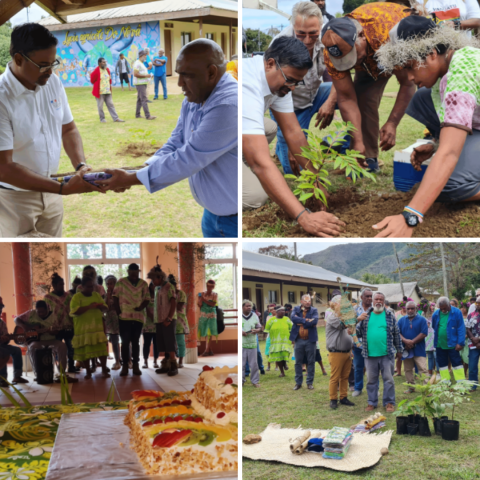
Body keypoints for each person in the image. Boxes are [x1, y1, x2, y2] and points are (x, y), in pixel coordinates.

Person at [99, 40, 238, 238]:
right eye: (179, 74)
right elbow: (176, 142)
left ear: (211, 73)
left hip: (232, 221)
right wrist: (139, 170)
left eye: (186, 76)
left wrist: (131, 178)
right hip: (212, 215)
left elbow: (188, 158)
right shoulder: (196, 95)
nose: (179, 83)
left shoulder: (229, 105)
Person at [373, 16, 480, 237]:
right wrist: (435, 144)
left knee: (450, 186)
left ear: (431, 54)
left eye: (411, 67)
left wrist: (411, 215)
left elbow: (450, 154)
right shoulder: (444, 71)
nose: (410, 77)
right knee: (421, 97)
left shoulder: (462, 71)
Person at [0, 23, 104, 237]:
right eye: (42, 65)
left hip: (52, 192)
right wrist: (62, 189)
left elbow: (68, 129)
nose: (50, 71)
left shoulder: (53, 82)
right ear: (18, 59)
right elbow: (4, 167)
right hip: (12, 201)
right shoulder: (2, 97)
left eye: (53, 63)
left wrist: (81, 165)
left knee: (53, 249)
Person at [242, 35, 346, 237]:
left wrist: (315, 180)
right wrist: (304, 217)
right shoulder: (247, 86)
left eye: (296, 83)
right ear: (270, 64)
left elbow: (293, 131)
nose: (291, 88)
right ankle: (231, 165)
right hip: (213, 140)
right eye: (290, 80)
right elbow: (261, 164)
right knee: (256, 196)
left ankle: (238, 160)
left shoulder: (280, 81)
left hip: (233, 128)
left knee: (269, 127)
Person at [320, 4, 415, 173]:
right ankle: (367, 160)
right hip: (370, 60)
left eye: (352, 55)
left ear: (362, 36)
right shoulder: (331, 50)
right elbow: (347, 98)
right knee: (363, 100)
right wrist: (357, 141)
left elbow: (408, 82)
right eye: (344, 60)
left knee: (429, 91)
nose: (351, 63)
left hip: (396, 48)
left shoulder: (388, 34)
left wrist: (392, 123)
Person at [270, 2, 341, 175]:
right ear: (293, 27)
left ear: (320, 26)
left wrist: (331, 102)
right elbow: (277, 93)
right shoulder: (280, 44)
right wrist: (291, 136)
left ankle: (339, 146)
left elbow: (341, 75)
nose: (308, 41)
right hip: (289, 106)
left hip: (315, 95)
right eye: (301, 34)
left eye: (313, 34)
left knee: (355, 94)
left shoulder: (329, 37)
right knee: (296, 169)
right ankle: (282, 148)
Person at [357, 292, 403, 412]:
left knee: (388, 379)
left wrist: (399, 350)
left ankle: (389, 402)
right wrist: (356, 321)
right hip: (370, 354)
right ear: (372, 301)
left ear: (383, 301)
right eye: (376, 299)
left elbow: (396, 333)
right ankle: (372, 402)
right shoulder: (365, 315)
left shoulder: (389, 315)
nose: (378, 301)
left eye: (381, 299)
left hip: (386, 354)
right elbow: (357, 333)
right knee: (371, 380)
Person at [15, 300, 78, 383]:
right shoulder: (30, 313)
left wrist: (53, 332)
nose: (40, 313)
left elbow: (57, 331)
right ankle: (38, 374)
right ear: (35, 309)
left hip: (51, 340)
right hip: (37, 342)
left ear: (47, 309)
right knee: (32, 347)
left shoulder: (53, 316)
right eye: (38, 312)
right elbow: (16, 319)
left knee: (62, 346)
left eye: (43, 312)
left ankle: (62, 374)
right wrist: (24, 326)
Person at [113, 263, 150, 377]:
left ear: (138, 272)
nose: (134, 274)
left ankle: (135, 365)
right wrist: (118, 312)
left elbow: (147, 299)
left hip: (138, 318)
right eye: (132, 272)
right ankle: (124, 366)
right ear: (128, 272)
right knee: (124, 342)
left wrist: (141, 307)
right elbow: (115, 297)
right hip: (124, 318)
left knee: (135, 342)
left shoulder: (143, 284)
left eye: (136, 272)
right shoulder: (121, 282)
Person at [70, 276, 110, 379]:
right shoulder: (76, 297)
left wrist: (101, 306)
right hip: (83, 330)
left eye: (92, 286)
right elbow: (74, 311)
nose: (91, 289)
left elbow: (106, 308)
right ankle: (88, 372)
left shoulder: (96, 295)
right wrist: (89, 306)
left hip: (97, 328)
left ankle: (104, 370)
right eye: (88, 287)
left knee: (101, 350)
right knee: (85, 351)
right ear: (82, 287)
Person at [147, 265, 178, 377]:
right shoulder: (157, 288)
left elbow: (173, 302)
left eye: (154, 279)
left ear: (160, 277)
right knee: (162, 342)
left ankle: (174, 365)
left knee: (169, 341)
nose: (152, 281)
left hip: (168, 319)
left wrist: (169, 318)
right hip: (159, 320)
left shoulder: (169, 286)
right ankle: (166, 364)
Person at [325, 295, 355, 409]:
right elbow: (343, 326)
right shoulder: (332, 317)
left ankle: (343, 397)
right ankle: (333, 399)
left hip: (347, 352)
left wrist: (351, 350)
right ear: (335, 305)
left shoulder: (344, 317)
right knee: (335, 377)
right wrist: (357, 318)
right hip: (336, 352)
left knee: (345, 377)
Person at [44, 273, 77, 373]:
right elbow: (46, 313)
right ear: (54, 285)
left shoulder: (69, 296)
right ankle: (60, 368)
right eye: (60, 284)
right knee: (57, 349)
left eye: (63, 284)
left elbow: (72, 310)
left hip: (68, 326)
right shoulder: (48, 298)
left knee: (71, 348)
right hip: (55, 328)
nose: (62, 286)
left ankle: (71, 366)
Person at [431, 296, 466, 382]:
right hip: (440, 344)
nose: (443, 310)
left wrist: (460, 343)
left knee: (457, 364)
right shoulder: (435, 314)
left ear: (448, 304)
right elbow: (434, 327)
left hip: (453, 344)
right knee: (442, 365)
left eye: (445, 308)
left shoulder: (457, 312)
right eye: (441, 308)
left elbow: (461, 328)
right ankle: (446, 383)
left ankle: (461, 384)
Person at [398, 301, 428, 393]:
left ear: (416, 309)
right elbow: (397, 333)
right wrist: (406, 341)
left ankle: (426, 388)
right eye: (408, 309)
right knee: (407, 369)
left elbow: (423, 333)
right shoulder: (401, 320)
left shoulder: (422, 320)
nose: (410, 310)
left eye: (412, 308)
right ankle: (411, 387)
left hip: (419, 348)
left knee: (423, 369)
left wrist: (412, 342)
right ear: (405, 309)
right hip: (406, 349)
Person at [291, 294, 319, 390]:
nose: (308, 302)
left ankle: (309, 382)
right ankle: (298, 383)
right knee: (298, 362)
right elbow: (292, 318)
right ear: (301, 301)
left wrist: (301, 322)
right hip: (298, 340)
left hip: (310, 340)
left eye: (309, 301)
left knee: (311, 361)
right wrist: (306, 320)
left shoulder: (314, 310)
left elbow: (314, 322)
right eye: (306, 301)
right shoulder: (296, 309)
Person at [0, 297, 28, 386]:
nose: (0, 310)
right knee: (3, 352)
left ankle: (17, 376)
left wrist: (6, 339)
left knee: (16, 350)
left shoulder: (2, 323)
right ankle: (2, 379)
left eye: (1, 308)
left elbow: (5, 339)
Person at [89, 58, 124, 124]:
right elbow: (92, 80)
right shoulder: (97, 70)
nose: (105, 63)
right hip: (100, 92)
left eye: (105, 62)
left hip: (107, 91)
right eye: (103, 62)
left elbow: (109, 78)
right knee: (100, 106)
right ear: (99, 63)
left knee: (111, 105)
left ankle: (116, 118)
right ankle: (102, 119)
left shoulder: (107, 69)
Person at [352, 288, 373, 397]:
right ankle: (358, 388)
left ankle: (374, 389)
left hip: (372, 344)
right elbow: (349, 326)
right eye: (367, 296)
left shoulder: (375, 309)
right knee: (358, 367)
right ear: (361, 297)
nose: (370, 298)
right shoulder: (354, 309)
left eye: (371, 296)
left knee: (372, 368)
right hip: (358, 344)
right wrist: (358, 319)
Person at [264, 305, 293, 378]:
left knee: (284, 354)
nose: (283, 312)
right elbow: (266, 330)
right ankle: (282, 372)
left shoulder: (287, 319)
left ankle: (285, 363)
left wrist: (293, 339)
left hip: (286, 341)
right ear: (277, 312)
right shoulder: (271, 320)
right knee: (278, 356)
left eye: (284, 310)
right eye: (281, 310)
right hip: (275, 342)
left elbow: (292, 329)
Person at [242, 300, 262, 387]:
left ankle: (255, 381)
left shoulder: (254, 316)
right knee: (242, 364)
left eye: (250, 306)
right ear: (242, 307)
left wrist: (257, 330)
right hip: (242, 344)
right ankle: (241, 381)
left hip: (252, 343)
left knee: (253, 364)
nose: (249, 307)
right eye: (247, 306)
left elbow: (259, 327)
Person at [132, 50, 156, 120]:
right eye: (145, 55)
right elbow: (135, 74)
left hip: (142, 83)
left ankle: (137, 114)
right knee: (144, 99)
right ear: (141, 56)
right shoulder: (137, 63)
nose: (146, 56)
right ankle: (148, 116)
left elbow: (142, 73)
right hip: (140, 84)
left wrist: (148, 76)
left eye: (146, 55)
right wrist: (146, 76)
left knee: (140, 99)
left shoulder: (142, 63)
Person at [104, 275, 121, 370]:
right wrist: (109, 295)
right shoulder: (106, 295)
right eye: (107, 284)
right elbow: (107, 308)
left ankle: (128, 360)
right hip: (111, 321)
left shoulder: (119, 293)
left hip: (120, 319)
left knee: (126, 340)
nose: (109, 285)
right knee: (114, 341)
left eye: (111, 283)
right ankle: (117, 361)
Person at [198, 279, 218, 357]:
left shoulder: (215, 294)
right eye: (208, 286)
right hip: (203, 314)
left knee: (209, 332)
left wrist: (204, 300)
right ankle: (210, 350)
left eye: (211, 287)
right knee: (205, 332)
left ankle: (207, 350)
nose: (209, 288)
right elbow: (199, 305)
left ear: (213, 287)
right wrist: (200, 301)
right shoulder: (201, 294)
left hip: (211, 315)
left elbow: (213, 304)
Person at [142, 282, 159, 369]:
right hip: (147, 323)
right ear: (150, 286)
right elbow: (146, 308)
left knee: (156, 343)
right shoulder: (146, 296)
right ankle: (145, 361)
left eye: (156, 285)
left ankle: (155, 361)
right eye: (153, 285)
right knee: (147, 343)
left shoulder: (159, 296)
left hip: (157, 324)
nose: (154, 287)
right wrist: (152, 317)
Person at [174, 279, 190, 368]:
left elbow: (180, 306)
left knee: (180, 342)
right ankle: (172, 361)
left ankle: (180, 361)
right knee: (171, 343)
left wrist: (171, 303)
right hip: (169, 320)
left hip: (180, 321)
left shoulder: (181, 294)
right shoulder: (167, 294)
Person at [465, 296, 480, 391]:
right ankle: (473, 385)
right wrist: (473, 339)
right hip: (473, 344)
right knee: (472, 366)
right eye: (476, 303)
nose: (477, 305)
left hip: (477, 342)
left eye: (479, 304)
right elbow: (467, 328)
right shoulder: (471, 315)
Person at [425, 303, 438, 376]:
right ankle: (430, 372)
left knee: (436, 356)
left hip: (435, 336)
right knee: (430, 357)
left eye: (432, 307)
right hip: (428, 337)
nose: (431, 309)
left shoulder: (436, 314)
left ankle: (438, 372)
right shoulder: (424, 315)